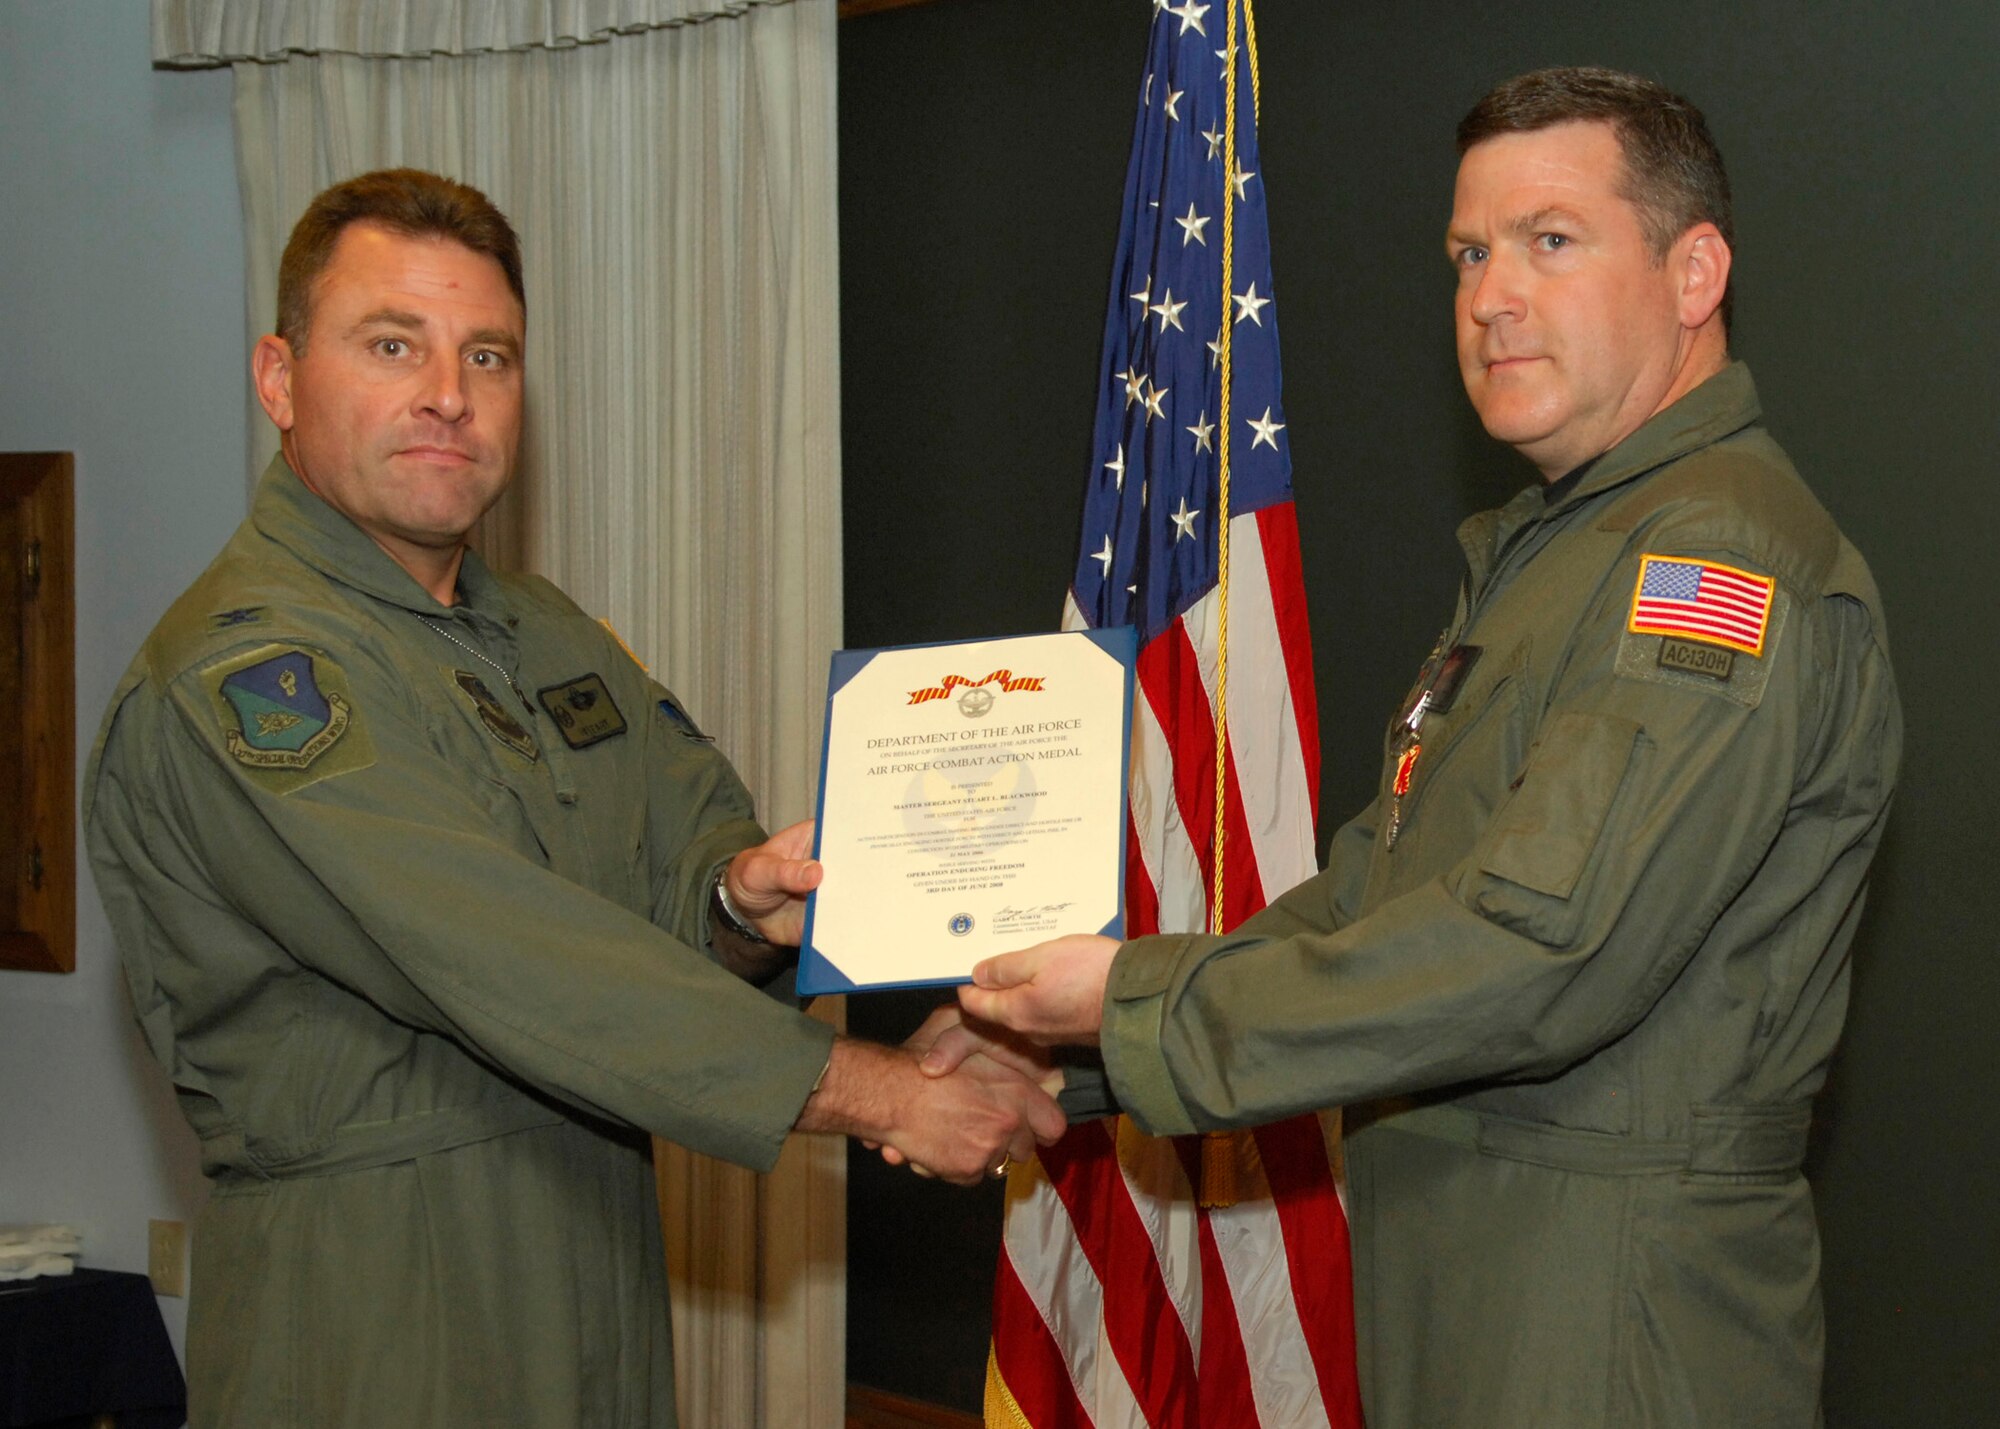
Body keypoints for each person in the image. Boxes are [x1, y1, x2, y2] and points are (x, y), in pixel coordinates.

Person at [950, 67, 1902, 1426]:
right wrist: (1075, 1044)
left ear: (1696, 274)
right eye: (1468, 253)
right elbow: (1376, 902)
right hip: (1480, 1280)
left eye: (1550, 241)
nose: (1490, 295)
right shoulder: (1567, 546)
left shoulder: (1712, 559)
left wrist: (1134, 1001)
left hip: (1602, 1317)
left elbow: (1535, 948)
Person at [84, 168, 1063, 1428]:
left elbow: (678, 837)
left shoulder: (538, 628)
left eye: (487, 356)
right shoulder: (249, 678)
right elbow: (514, 957)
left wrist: (734, 901)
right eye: (394, 344)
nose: (449, 393)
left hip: (594, 1254)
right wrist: (893, 1096)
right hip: (375, 1299)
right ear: (279, 379)